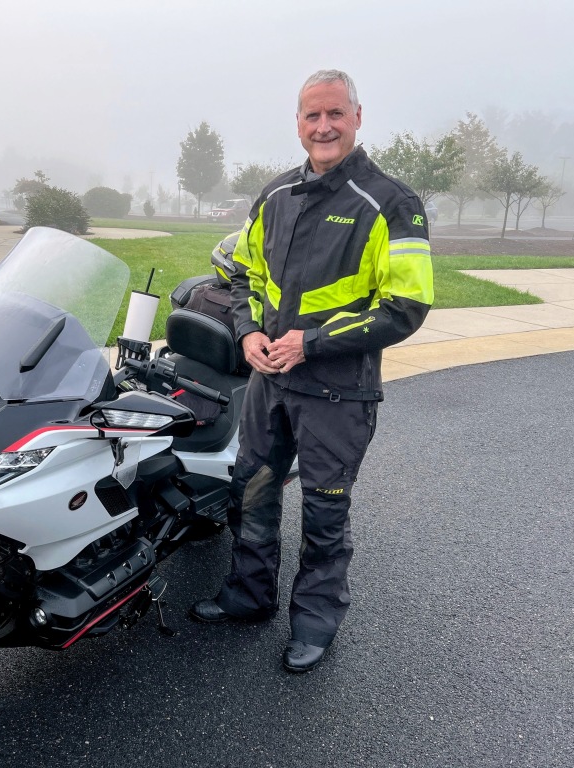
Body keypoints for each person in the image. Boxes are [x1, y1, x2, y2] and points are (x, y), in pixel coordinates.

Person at [189, 69, 435, 674]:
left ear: (357, 117)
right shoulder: (275, 195)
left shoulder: (392, 203)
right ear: (298, 123)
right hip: (268, 382)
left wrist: (312, 343)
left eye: (334, 114)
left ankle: (315, 622)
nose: (323, 126)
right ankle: (249, 596)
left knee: (325, 513)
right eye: (311, 115)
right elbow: (242, 274)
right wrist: (247, 333)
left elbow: (406, 306)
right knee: (251, 490)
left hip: (338, 392)